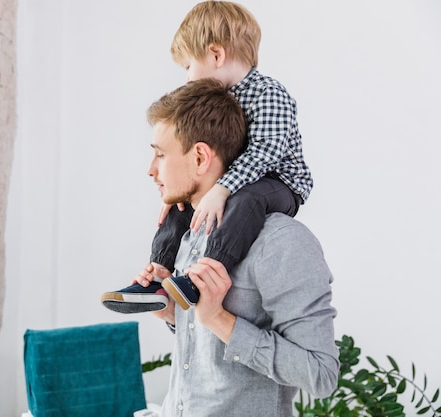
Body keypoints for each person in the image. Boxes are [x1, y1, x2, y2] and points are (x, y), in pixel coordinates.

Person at [140, 77, 339, 416]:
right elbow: (207, 354)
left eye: (160, 154)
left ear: (200, 157)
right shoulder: (191, 233)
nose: (150, 170)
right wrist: (172, 314)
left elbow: (321, 375)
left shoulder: (282, 242)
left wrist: (219, 318)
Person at [101, 1, 312, 313]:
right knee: (182, 202)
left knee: (249, 198)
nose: (187, 77)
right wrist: (178, 187)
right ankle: (158, 277)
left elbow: (265, 154)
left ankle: (205, 274)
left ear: (216, 55)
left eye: (188, 66)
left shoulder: (268, 93)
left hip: (280, 182)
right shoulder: (221, 100)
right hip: (239, 179)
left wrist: (222, 188)